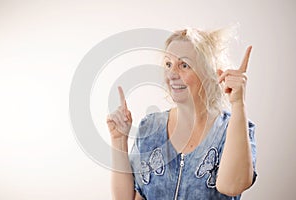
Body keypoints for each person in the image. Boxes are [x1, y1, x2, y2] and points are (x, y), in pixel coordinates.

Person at [106, 27, 257, 200]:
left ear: (210, 73)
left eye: (184, 65)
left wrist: (238, 103)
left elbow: (231, 186)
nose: (171, 74)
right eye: (168, 64)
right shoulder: (150, 126)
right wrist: (118, 140)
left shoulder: (233, 129)